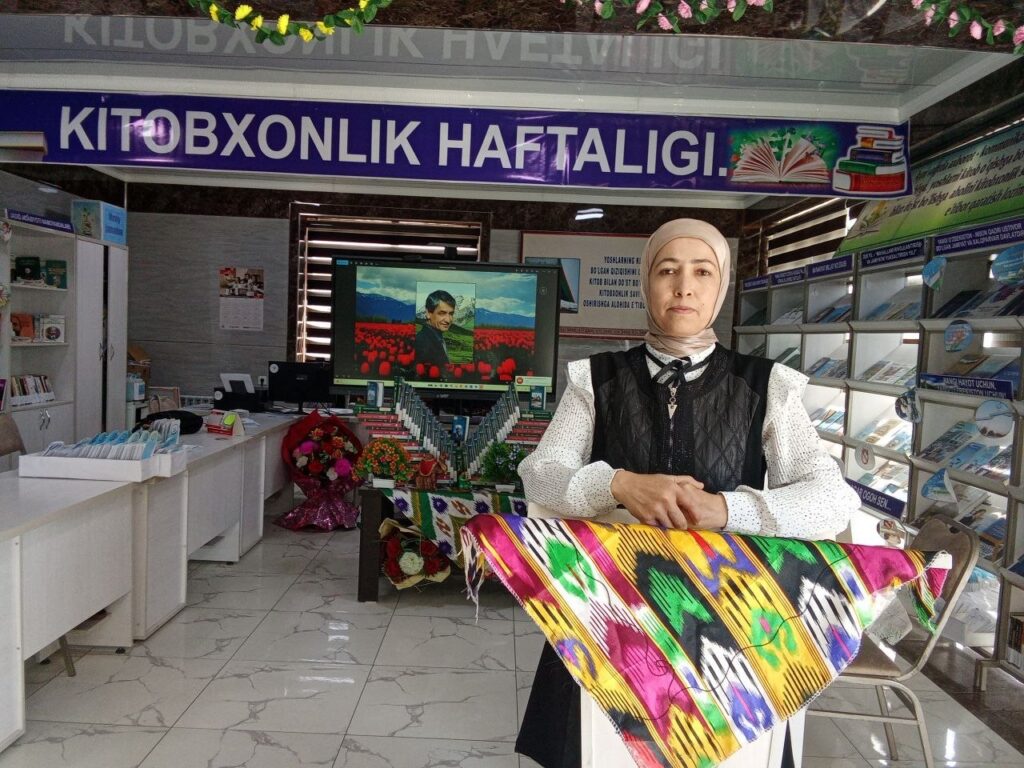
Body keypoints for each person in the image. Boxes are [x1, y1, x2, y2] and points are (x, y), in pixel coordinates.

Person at [516, 218, 861, 768]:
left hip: (729, 615)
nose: (684, 287)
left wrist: (727, 508)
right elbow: (540, 473)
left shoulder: (764, 385)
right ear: (646, 283)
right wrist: (618, 484)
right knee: (601, 750)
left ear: (721, 286)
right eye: (667, 271)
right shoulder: (597, 380)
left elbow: (832, 496)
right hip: (611, 609)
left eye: (702, 272)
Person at [414, 289, 456, 367]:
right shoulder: (421, 343)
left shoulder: (436, 338)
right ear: (428, 313)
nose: (448, 320)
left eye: (451, 314)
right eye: (442, 313)